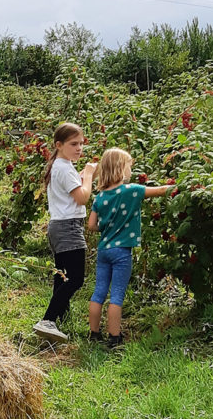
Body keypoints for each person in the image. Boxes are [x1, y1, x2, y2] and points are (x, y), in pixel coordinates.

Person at [86, 148, 171, 348]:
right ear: (120, 168)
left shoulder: (100, 197)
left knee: (99, 292)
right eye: (129, 166)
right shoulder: (131, 190)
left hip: (104, 250)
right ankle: (114, 337)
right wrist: (184, 187)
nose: (131, 171)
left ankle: (94, 333)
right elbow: (160, 191)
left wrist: (106, 228)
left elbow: (91, 226)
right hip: (122, 252)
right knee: (117, 294)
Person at [32, 122, 96, 342]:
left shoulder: (60, 166)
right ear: (59, 145)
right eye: (73, 144)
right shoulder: (64, 167)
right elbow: (82, 197)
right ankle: (47, 320)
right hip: (69, 227)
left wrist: (81, 176)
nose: (79, 148)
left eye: (81, 144)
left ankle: (59, 318)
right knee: (76, 278)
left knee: (63, 276)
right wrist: (88, 175)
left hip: (59, 226)